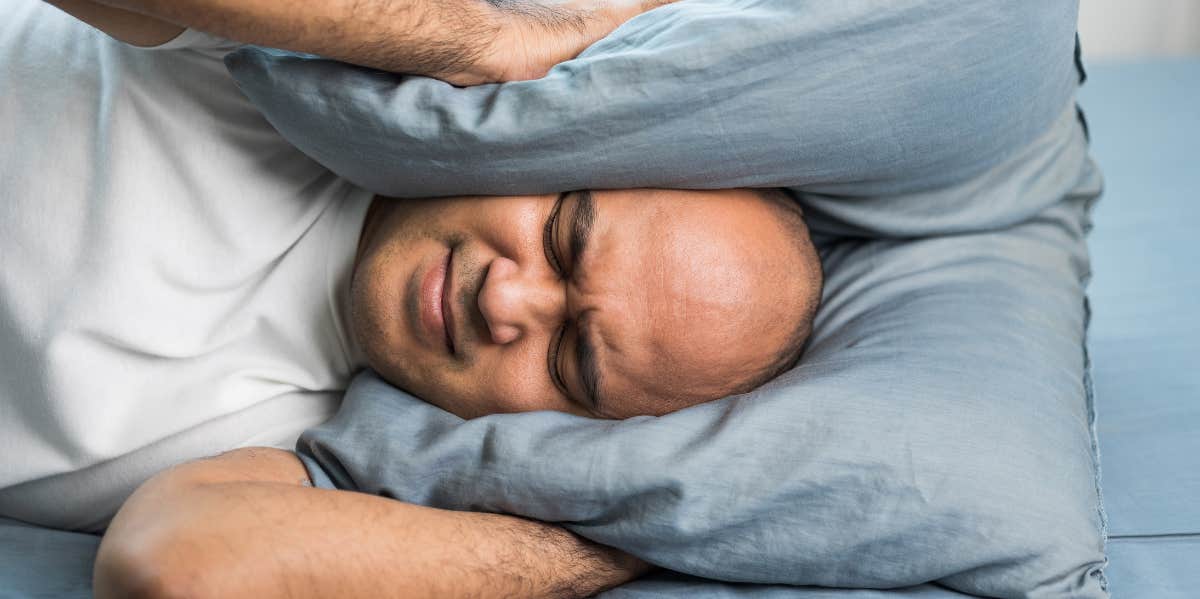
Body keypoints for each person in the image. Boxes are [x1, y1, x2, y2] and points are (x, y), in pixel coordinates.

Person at [0, 1, 823, 596]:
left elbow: (177, 568)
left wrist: (614, 541)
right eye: (564, 237)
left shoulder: (323, 458)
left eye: (570, 357)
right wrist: (489, 45)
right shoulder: (277, 64)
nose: (507, 299)